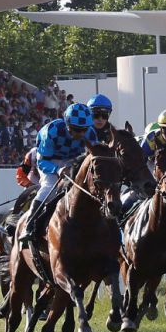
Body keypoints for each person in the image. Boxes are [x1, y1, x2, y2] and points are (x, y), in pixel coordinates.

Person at [18, 103, 98, 247]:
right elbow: (42, 162)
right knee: (49, 187)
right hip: (49, 160)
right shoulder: (52, 131)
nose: (80, 134)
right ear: (67, 124)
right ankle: (28, 227)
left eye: (83, 130)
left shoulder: (90, 133)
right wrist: (58, 170)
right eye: (76, 130)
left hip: (73, 160)